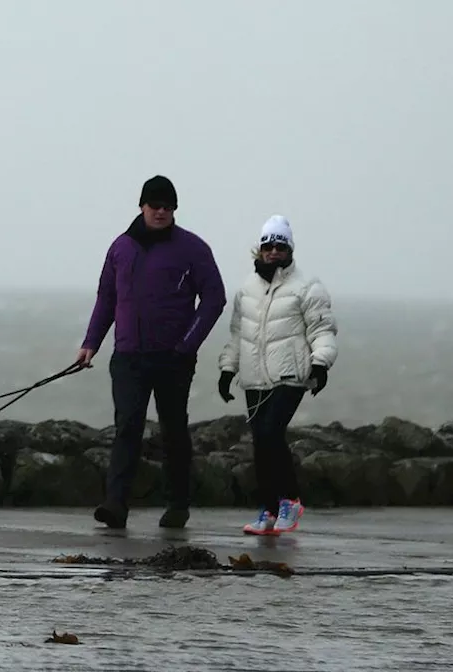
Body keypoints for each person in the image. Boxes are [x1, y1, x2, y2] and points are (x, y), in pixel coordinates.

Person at [77, 175, 227, 529]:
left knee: (173, 429)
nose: (161, 212)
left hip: (174, 357)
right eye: (154, 205)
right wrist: (90, 343)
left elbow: (214, 299)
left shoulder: (193, 249)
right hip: (128, 356)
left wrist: (187, 345)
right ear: (141, 206)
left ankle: (177, 505)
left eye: (167, 207)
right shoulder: (121, 248)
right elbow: (107, 299)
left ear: (174, 209)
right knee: (127, 426)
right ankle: (115, 505)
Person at [217, 215, 337, 535]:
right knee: (260, 442)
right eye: (268, 246)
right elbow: (237, 333)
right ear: (260, 249)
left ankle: (291, 502)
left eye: (280, 247)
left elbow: (322, 328)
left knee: (271, 433)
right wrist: (228, 369)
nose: (273, 252)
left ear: (289, 250)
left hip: (290, 374)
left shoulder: (307, 287)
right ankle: (269, 510)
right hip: (255, 377)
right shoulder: (247, 289)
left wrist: (321, 363)